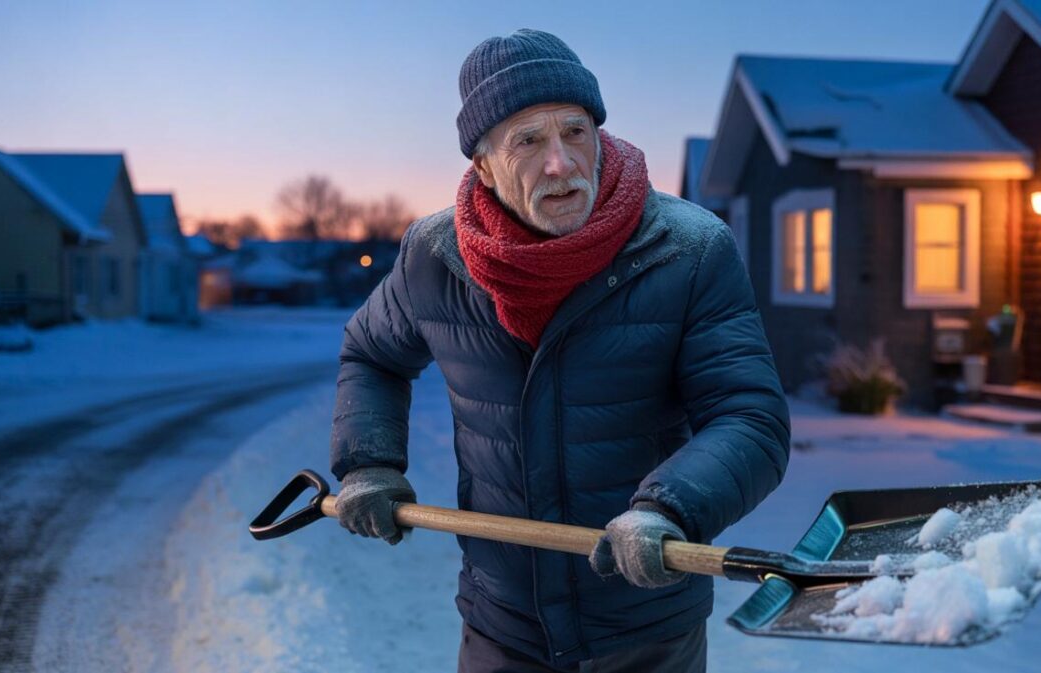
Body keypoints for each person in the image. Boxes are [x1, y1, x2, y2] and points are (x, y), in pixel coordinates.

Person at [329, 28, 791, 673]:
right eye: (527, 140)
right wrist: (369, 462)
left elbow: (749, 417)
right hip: (501, 623)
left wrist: (668, 507)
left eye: (575, 132)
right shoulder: (435, 257)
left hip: (645, 623)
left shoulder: (688, 249)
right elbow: (372, 355)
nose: (561, 163)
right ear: (483, 165)